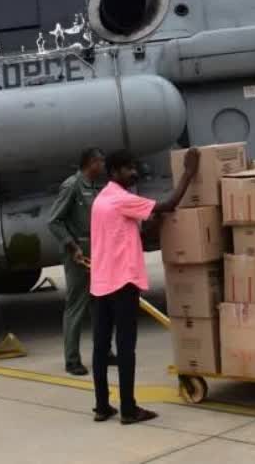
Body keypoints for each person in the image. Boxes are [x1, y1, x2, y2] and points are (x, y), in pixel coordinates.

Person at [89, 148, 199, 424]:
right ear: (114, 173)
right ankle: (128, 409)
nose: (134, 172)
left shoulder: (101, 200)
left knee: (101, 348)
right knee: (126, 348)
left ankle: (102, 406)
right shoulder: (121, 198)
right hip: (122, 283)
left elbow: (132, 234)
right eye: (128, 168)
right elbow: (170, 204)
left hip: (101, 284)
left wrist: (153, 224)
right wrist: (189, 171)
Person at [47, 147, 115, 376]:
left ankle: (104, 352)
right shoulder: (72, 186)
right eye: (101, 162)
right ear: (91, 163)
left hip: (99, 253)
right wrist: (72, 246)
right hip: (79, 255)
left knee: (102, 305)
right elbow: (54, 221)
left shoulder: (97, 186)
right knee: (76, 305)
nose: (103, 166)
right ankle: (72, 359)